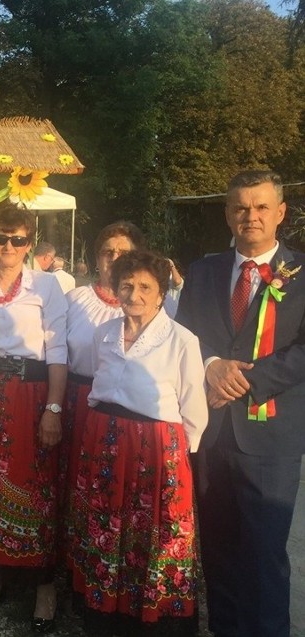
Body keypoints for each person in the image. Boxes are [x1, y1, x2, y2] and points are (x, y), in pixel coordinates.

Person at [176, 170, 305, 637]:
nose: (250, 216)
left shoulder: (302, 274)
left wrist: (246, 380)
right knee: (219, 547)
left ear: (280, 213)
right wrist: (211, 363)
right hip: (210, 434)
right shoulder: (203, 270)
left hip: (270, 437)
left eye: (261, 207)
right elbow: (185, 333)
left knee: (264, 551)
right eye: (240, 208)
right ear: (228, 213)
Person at [70, 249, 207, 636]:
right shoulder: (105, 334)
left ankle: (154, 618)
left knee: (154, 534)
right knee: (108, 526)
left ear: (161, 293)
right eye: (127, 285)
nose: (135, 293)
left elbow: (194, 407)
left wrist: (178, 459)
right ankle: (106, 611)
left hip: (157, 447)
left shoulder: (182, 340)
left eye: (146, 286)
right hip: (107, 440)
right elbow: (103, 381)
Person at [0, 202, 68, 634]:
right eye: (1, 238)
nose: (8, 245)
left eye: (18, 239)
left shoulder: (47, 286)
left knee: (34, 484)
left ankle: (43, 583)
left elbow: (57, 351)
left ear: (29, 243)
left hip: (30, 395)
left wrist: (53, 408)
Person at [61, 221, 148, 567]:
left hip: (124, 410)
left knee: (113, 490)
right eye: (107, 252)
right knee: (72, 484)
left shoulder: (153, 306)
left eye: (123, 253)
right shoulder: (73, 300)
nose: (114, 258)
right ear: (96, 258)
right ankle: (67, 566)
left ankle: (107, 567)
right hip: (77, 401)